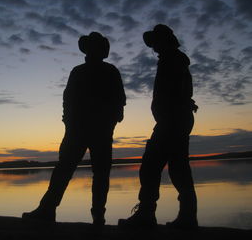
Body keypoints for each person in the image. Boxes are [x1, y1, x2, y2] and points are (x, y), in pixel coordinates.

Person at [22, 32, 126, 226]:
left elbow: (120, 101)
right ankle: (48, 209)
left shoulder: (109, 71)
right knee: (65, 169)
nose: (93, 52)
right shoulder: (78, 71)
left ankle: (97, 215)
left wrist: (111, 120)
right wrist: (69, 122)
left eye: (96, 47)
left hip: (99, 130)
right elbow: (68, 99)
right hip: (78, 130)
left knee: (98, 173)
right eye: (91, 47)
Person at [118, 24, 199, 230]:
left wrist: (173, 110)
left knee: (152, 166)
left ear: (164, 41)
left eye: (155, 41)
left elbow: (179, 90)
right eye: (152, 42)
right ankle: (185, 217)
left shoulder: (173, 60)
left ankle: (147, 215)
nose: (153, 46)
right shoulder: (171, 59)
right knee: (176, 167)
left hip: (172, 120)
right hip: (173, 119)